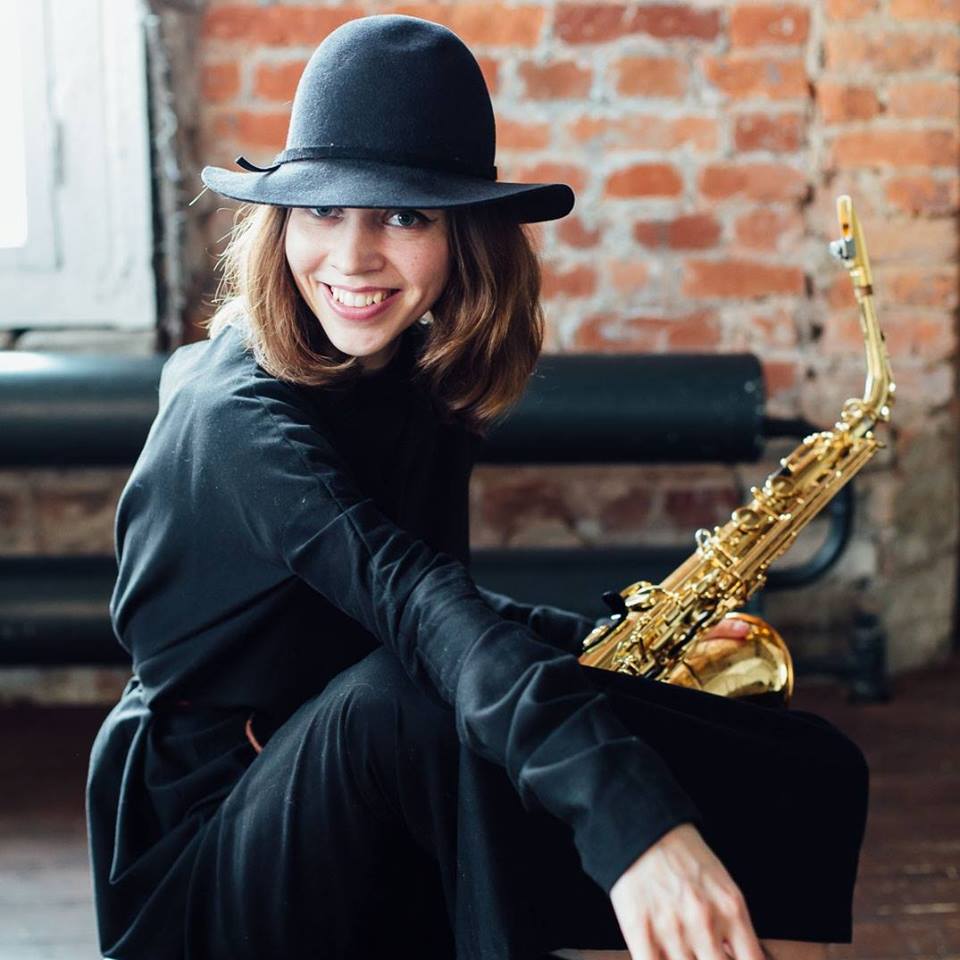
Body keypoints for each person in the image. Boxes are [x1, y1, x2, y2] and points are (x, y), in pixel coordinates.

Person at [86, 15, 869, 960]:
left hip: (366, 759)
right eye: (323, 210)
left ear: (466, 235)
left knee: (806, 764)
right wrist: (637, 827)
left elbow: (433, 602)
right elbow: (413, 608)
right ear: (280, 221)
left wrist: (601, 646)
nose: (353, 257)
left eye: (404, 216)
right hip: (209, 851)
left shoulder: (410, 370)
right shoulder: (235, 420)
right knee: (410, 697)